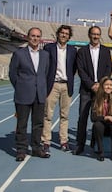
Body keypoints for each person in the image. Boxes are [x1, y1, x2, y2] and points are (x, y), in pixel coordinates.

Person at [9, 27, 50, 161]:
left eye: (38, 36)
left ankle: (37, 148)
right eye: (33, 36)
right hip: (23, 94)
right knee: (22, 124)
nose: (35, 38)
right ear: (28, 37)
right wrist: (21, 87)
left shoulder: (45, 55)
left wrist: (43, 89)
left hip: (40, 94)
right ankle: (21, 150)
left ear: (40, 38)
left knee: (38, 124)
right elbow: (13, 74)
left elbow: (46, 74)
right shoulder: (19, 54)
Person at [74, 26, 112, 155]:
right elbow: (81, 70)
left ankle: (95, 142)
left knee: (99, 118)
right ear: (89, 35)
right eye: (93, 34)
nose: (95, 36)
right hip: (86, 89)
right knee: (83, 118)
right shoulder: (82, 51)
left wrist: (100, 85)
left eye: (97, 34)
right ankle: (80, 145)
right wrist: (91, 85)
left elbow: (108, 69)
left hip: (101, 91)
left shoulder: (106, 51)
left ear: (100, 35)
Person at [41, 25, 77, 155]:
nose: (64, 35)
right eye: (62, 33)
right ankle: (46, 141)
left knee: (65, 115)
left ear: (69, 36)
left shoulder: (73, 50)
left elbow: (73, 68)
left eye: (66, 34)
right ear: (58, 34)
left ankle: (63, 141)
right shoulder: (48, 48)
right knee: (48, 115)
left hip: (66, 85)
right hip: (53, 84)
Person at [90, 76, 112, 162]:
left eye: (111, 85)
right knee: (97, 125)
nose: (109, 87)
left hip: (111, 125)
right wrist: (107, 117)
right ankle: (101, 152)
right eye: (106, 85)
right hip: (102, 123)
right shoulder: (96, 99)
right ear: (102, 86)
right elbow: (93, 117)